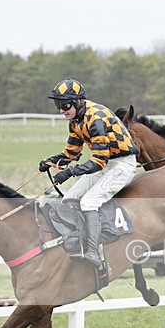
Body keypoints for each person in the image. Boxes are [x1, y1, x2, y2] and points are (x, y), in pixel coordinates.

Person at [39, 78, 139, 268]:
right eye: (58, 105)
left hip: (121, 166)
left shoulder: (96, 118)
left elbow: (99, 161)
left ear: (78, 102)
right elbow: (71, 153)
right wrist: (50, 162)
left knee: (88, 202)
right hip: (106, 165)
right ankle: (79, 243)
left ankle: (95, 253)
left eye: (65, 105)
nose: (61, 110)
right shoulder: (76, 121)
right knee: (69, 199)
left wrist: (68, 173)